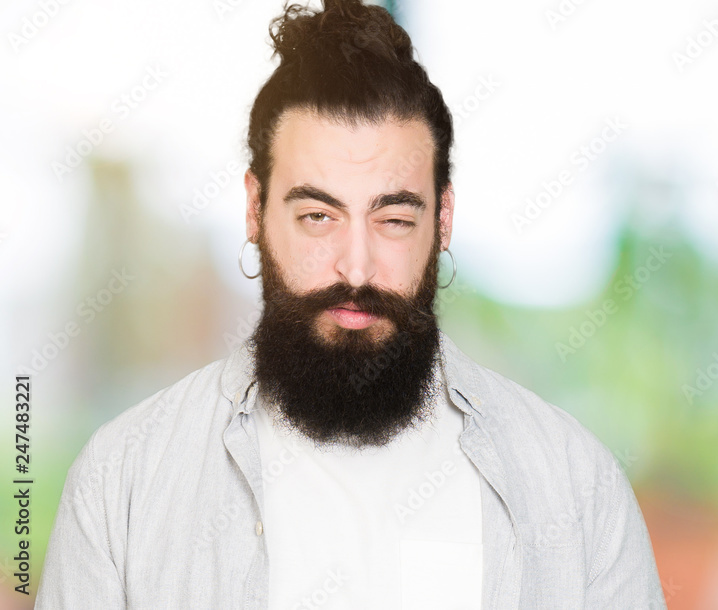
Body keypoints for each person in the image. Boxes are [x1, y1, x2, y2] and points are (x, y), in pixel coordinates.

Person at [35, 1, 666, 607]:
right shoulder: (122, 483)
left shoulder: (578, 490)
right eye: (317, 216)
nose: (356, 268)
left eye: (392, 218)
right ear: (255, 210)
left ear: (442, 218)